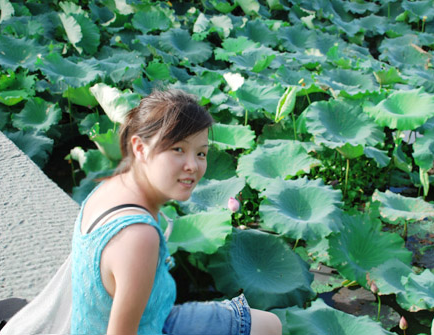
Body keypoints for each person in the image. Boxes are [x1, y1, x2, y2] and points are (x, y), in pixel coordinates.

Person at [71, 89, 282, 335]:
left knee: (268, 324)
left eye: (201, 153)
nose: (193, 165)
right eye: (178, 149)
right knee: (266, 329)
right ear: (140, 148)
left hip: (150, 316)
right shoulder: (138, 236)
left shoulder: (108, 189)